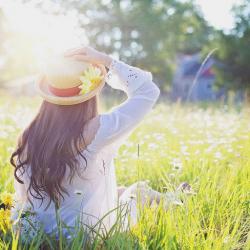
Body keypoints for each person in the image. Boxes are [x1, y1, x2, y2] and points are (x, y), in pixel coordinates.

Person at [10, 46, 189, 242]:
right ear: (89, 93)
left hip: (39, 233)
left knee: (119, 190)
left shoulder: (29, 134)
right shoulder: (96, 130)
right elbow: (148, 90)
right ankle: (175, 200)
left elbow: (24, 197)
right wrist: (106, 60)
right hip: (88, 235)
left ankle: (173, 197)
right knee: (138, 191)